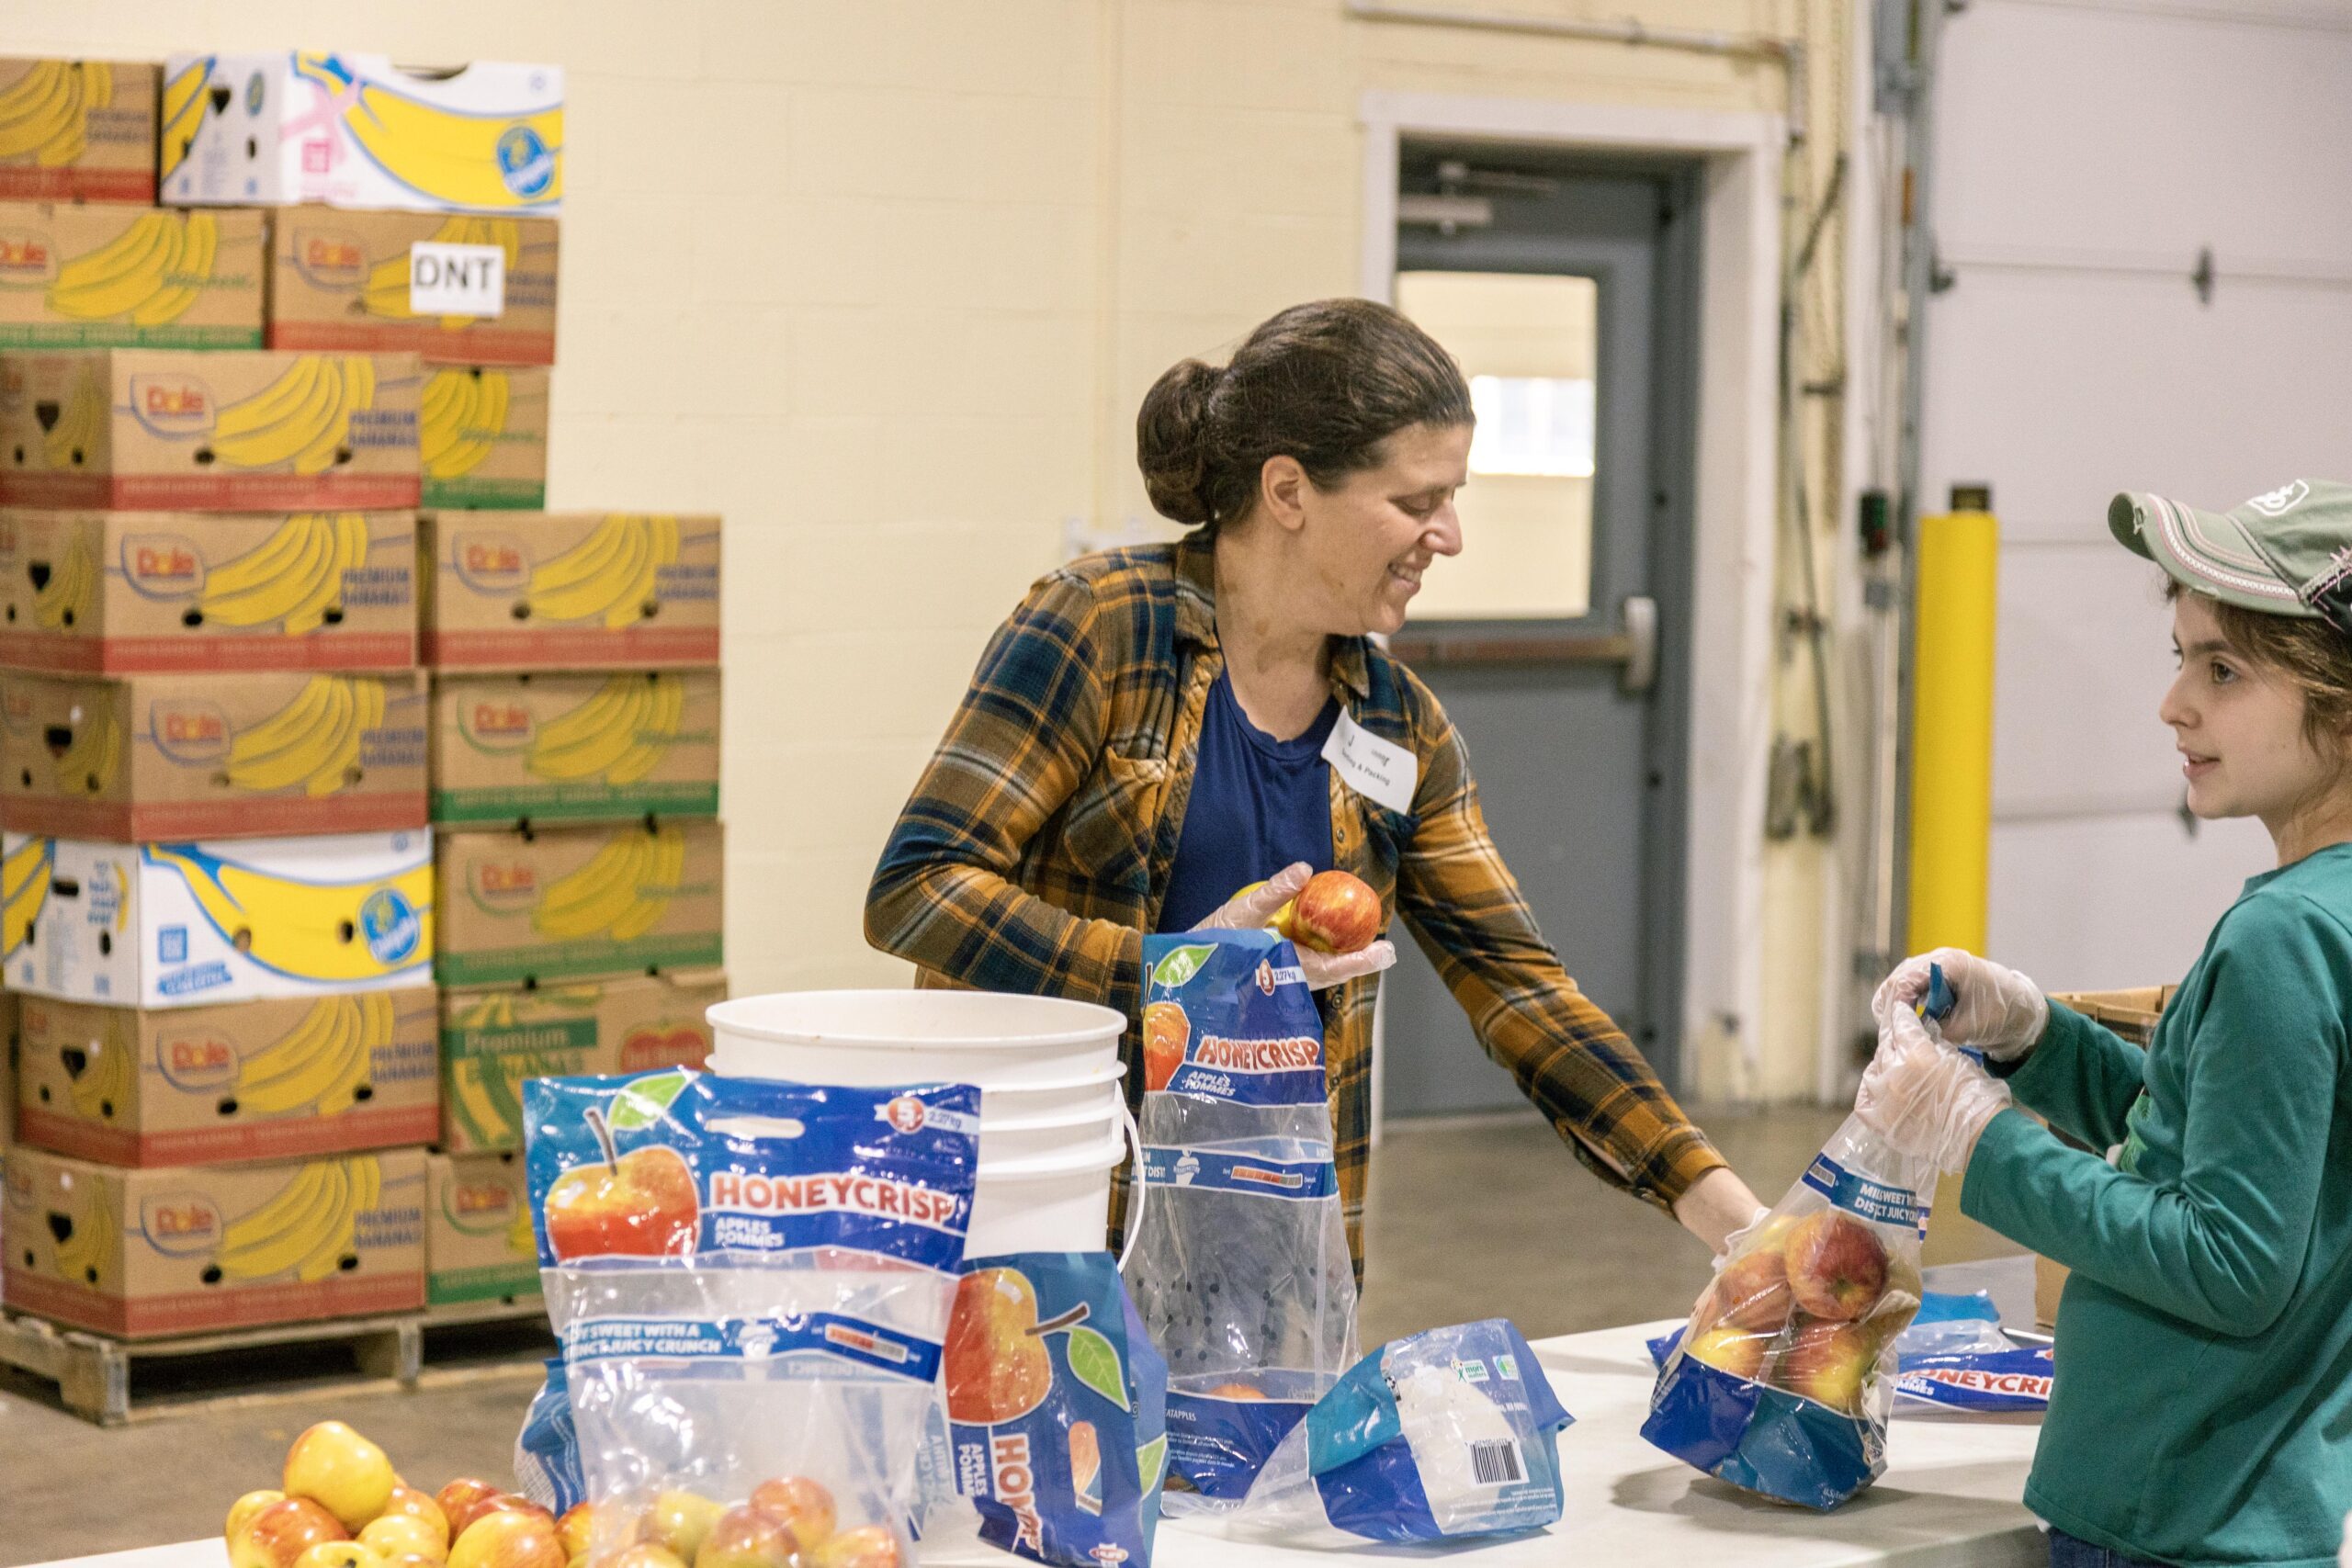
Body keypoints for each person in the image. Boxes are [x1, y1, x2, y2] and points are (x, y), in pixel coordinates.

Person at [866, 298, 1764, 1273]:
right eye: (1416, 502)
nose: (1449, 535)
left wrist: (1734, 1219)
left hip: (1280, 1254)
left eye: (1451, 497)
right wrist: (1173, 976)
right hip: (1054, 1221)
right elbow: (918, 889)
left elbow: (1521, 991)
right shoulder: (1100, 626)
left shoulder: (1395, 723)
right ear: (1288, 490)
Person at [1863, 480, 2352, 1568]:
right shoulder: (2329, 914)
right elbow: (2222, 1146)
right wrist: (2031, 1039)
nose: (2173, 704)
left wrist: (1979, 1141)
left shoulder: (2282, 935)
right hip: (2250, 1499)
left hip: (2172, 1513)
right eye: (2178, 658)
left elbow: (2227, 1259)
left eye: (2221, 670)